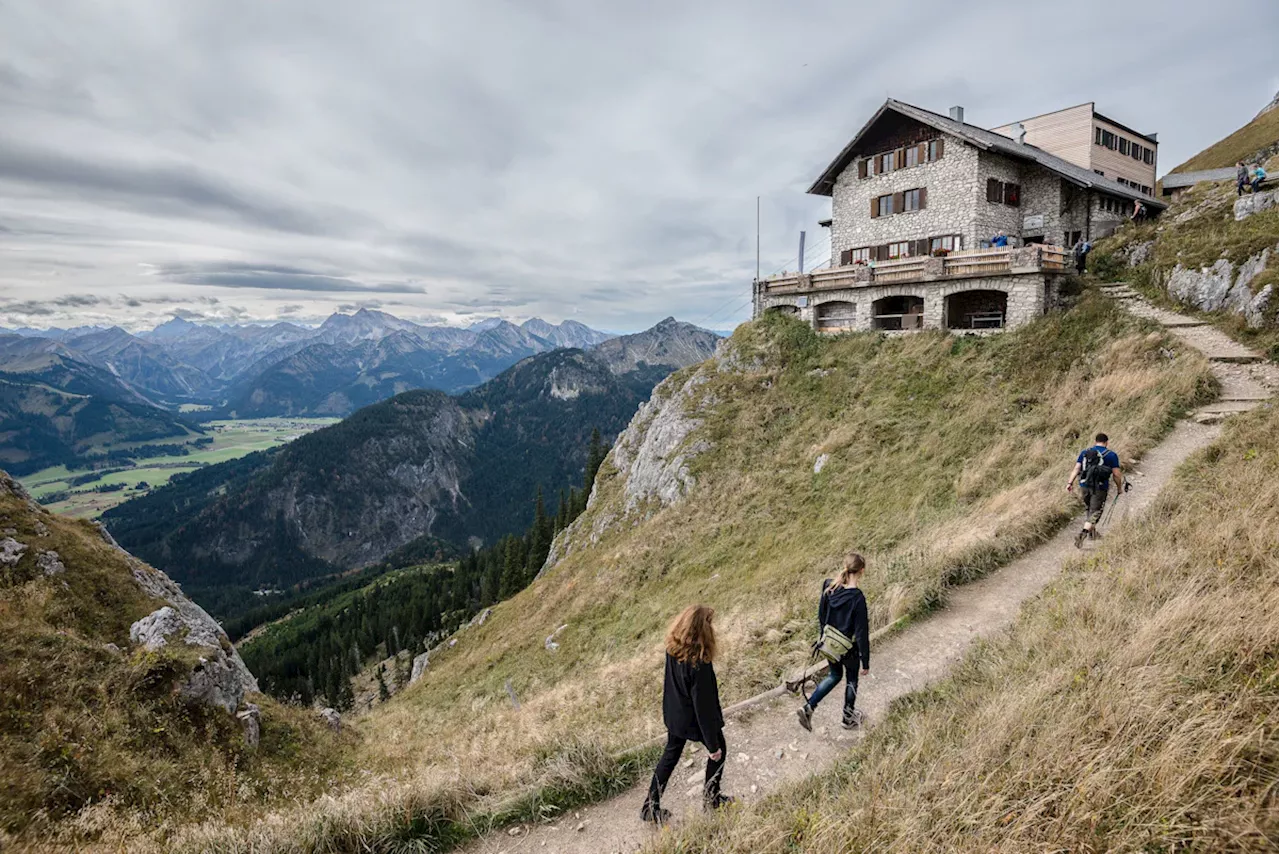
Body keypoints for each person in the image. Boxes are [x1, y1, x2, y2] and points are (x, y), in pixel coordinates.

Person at [641, 604, 735, 824]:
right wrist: (712, 745)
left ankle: (649, 807)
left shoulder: (672, 648)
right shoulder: (699, 664)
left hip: (674, 714)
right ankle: (712, 799)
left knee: (670, 757)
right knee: (720, 749)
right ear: (701, 630)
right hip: (692, 718)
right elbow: (704, 708)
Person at [796, 553, 871, 733]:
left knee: (834, 675)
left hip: (830, 643)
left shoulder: (829, 586)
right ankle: (847, 717)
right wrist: (865, 661)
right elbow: (861, 633)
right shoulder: (857, 598)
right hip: (848, 649)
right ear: (862, 571)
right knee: (851, 679)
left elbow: (821, 616)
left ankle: (809, 707)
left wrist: (824, 637)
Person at [1066, 432, 1124, 548]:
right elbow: (1116, 474)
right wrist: (1119, 488)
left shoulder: (1085, 452)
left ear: (1095, 441)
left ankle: (1092, 533)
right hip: (1100, 487)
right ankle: (1083, 534)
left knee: (1089, 508)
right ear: (1107, 442)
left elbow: (1077, 468)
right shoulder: (1111, 455)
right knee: (1096, 512)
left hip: (1084, 485)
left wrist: (1069, 483)